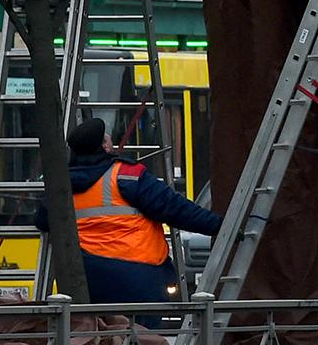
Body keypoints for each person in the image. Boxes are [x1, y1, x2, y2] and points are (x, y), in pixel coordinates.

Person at [33, 118, 222, 318]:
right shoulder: (126, 175)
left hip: (89, 280)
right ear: (105, 146)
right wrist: (219, 226)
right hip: (139, 278)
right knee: (142, 342)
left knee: (102, 342)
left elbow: (42, 221)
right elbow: (176, 209)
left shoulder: (61, 186)